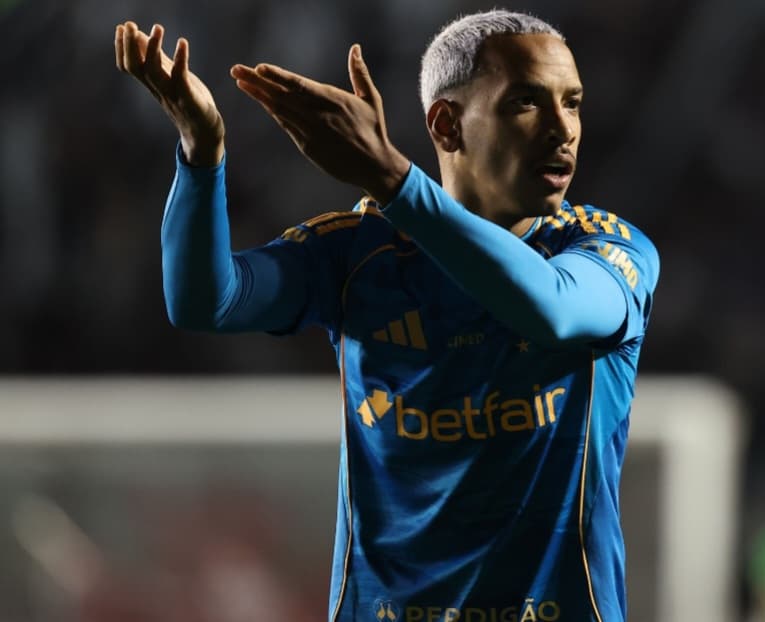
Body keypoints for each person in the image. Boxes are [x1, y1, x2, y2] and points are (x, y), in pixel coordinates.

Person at [114, 9, 659, 622]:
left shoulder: (604, 251)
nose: (564, 130)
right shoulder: (356, 253)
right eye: (527, 103)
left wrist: (393, 178)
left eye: (574, 103)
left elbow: (551, 310)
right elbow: (205, 301)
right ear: (447, 125)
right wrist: (200, 150)